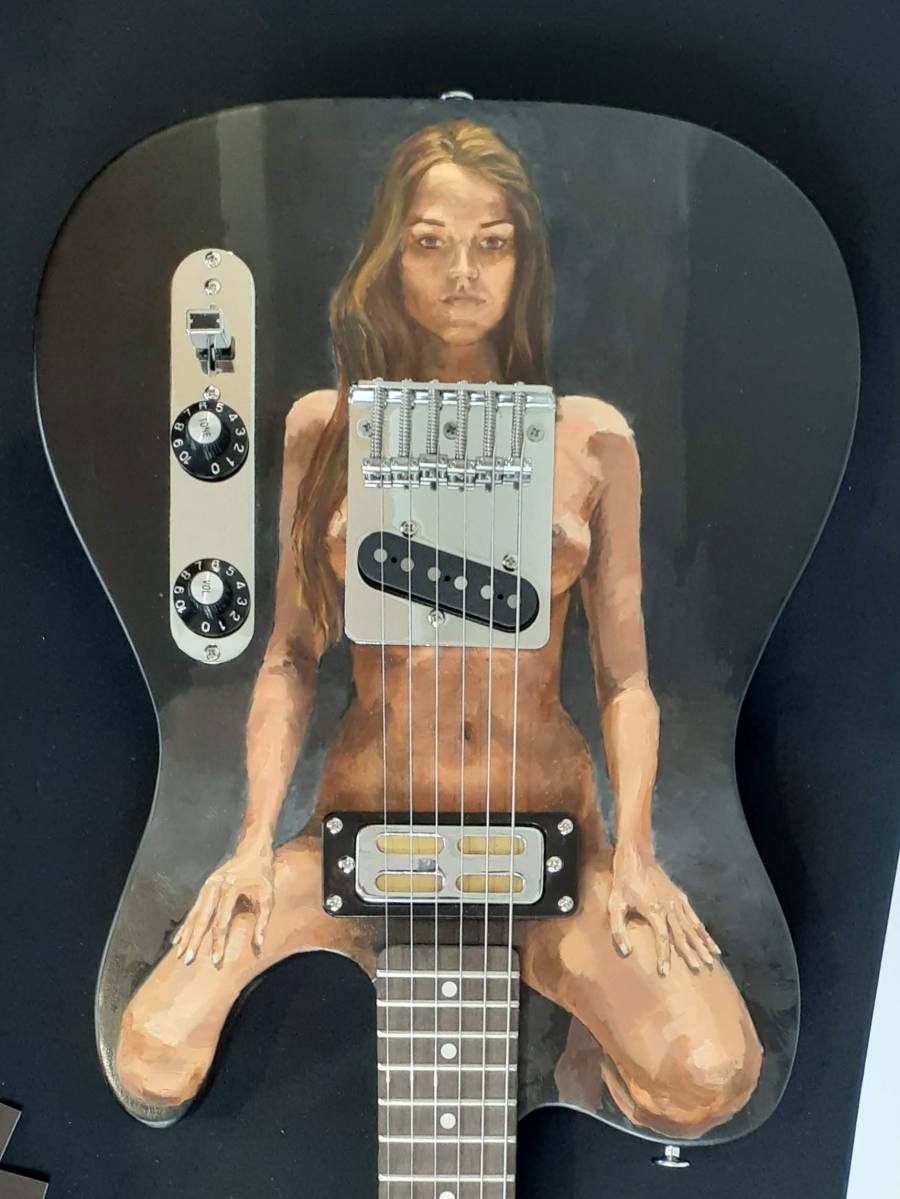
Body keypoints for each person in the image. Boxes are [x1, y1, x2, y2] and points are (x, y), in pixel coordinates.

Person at [116, 118, 762, 1138]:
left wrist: (636, 851)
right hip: (362, 841)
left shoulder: (591, 438)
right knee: (151, 1057)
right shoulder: (325, 427)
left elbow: (627, 680)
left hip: (544, 847)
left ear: (523, 261)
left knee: (711, 1075)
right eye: (430, 241)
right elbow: (289, 654)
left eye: (491, 243)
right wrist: (248, 843)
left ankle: (569, 1034)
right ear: (390, 256)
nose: (463, 271)